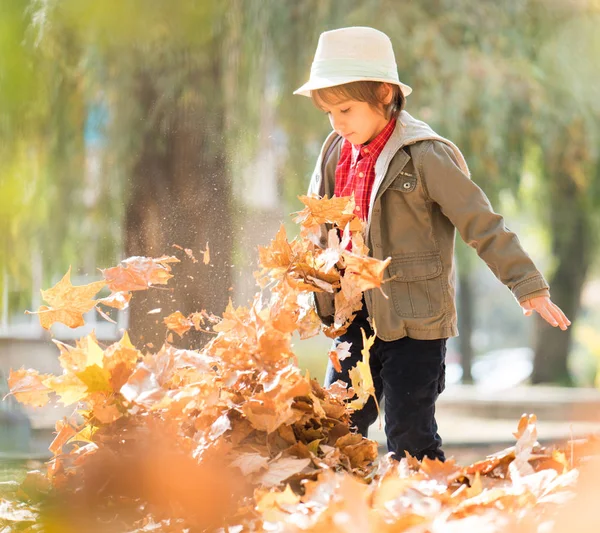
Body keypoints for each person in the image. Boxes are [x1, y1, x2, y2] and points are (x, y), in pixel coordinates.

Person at [293, 26, 571, 461]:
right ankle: (339, 514)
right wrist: (311, 276)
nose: (337, 122)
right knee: (337, 426)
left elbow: (481, 222)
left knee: (409, 429)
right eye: (329, 112)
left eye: (345, 109)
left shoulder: (424, 155)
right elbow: (320, 229)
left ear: (384, 93)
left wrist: (527, 284)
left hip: (413, 322)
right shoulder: (334, 152)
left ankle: (425, 510)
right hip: (352, 318)